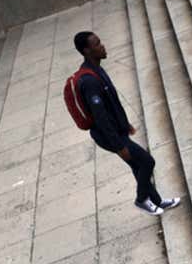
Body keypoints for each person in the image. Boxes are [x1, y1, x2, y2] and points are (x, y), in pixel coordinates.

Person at [73, 31, 182, 216]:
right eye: (97, 44)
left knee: (138, 165)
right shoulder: (89, 81)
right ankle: (141, 200)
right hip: (109, 136)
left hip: (117, 131)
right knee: (147, 161)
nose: (102, 45)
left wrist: (125, 124)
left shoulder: (97, 68)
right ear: (86, 50)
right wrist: (118, 145)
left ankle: (156, 201)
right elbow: (101, 118)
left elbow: (111, 104)